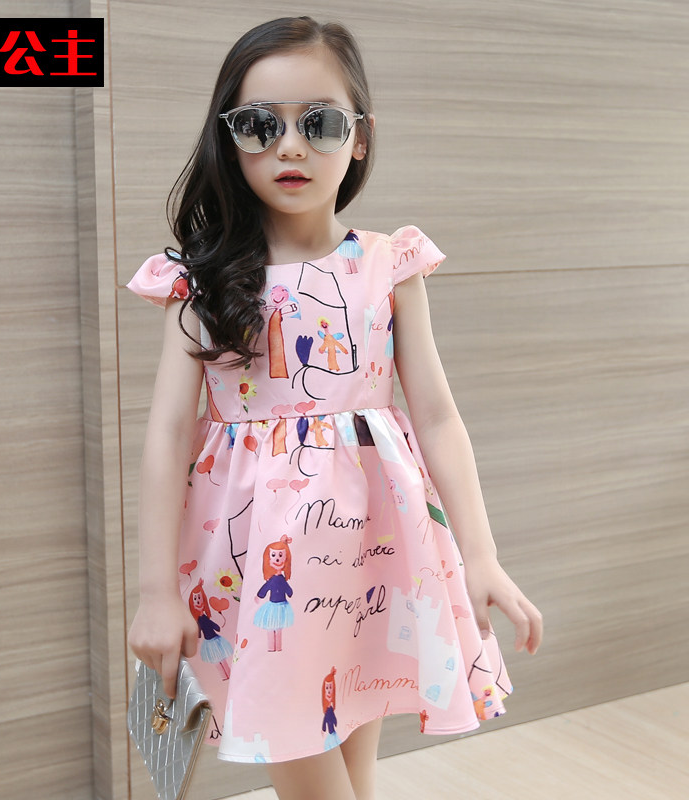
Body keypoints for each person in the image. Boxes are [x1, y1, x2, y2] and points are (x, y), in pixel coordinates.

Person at [126, 15, 543, 800]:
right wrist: (155, 592)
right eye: (260, 125)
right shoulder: (199, 280)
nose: (290, 147)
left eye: (318, 123)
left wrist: (482, 556)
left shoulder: (389, 266)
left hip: (375, 553)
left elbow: (438, 417)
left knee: (355, 771)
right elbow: (168, 434)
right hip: (259, 576)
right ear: (229, 140)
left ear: (359, 138)